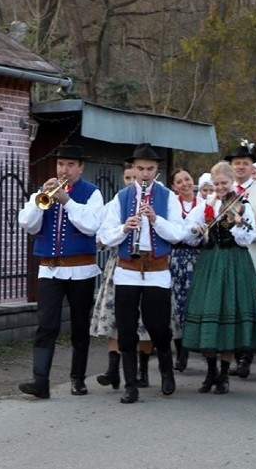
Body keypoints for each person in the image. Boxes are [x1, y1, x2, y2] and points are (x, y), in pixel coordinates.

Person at [98, 143, 186, 404]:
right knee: (126, 328)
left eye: (149, 169)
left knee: (157, 325)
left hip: (157, 270)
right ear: (132, 169)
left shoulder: (167, 197)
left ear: (157, 169)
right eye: (140, 169)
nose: (145, 174)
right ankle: (130, 385)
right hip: (128, 269)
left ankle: (166, 371)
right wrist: (125, 228)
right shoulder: (122, 197)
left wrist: (156, 219)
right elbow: (104, 235)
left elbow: (178, 233)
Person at [17, 145, 104, 399]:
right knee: (46, 326)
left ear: (80, 167)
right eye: (60, 164)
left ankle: (77, 379)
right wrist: (39, 201)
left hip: (81, 271)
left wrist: (67, 202)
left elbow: (91, 226)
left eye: (69, 165)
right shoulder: (43, 192)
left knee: (79, 326)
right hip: (50, 270)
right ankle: (40, 381)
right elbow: (28, 225)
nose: (63, 170)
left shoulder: (92, 193)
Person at [183, 162, 256, 394]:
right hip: (211, 262)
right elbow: (189, 226)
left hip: (234, 263)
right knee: (209, 314)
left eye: (224, 183)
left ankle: (224, 375)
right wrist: (197, 229)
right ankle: (211, 372)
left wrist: (239, 224)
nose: (221, 187)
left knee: (229, 313)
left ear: (232, 182)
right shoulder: (207, 205)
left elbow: (247, 239)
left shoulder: (243, 205)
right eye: (217, 184)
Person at [91, 164, 155, 391]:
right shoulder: (117, 202)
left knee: (144, 321)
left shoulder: (155, 200)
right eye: (127, 177)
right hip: (119, 264)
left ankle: (143, 370)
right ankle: (112, 370)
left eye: (133, 177)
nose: (131, 181)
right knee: (115, 318)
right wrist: (121, 230)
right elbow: (101, 237)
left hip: (147, 267)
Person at [225, 144, 256, 378]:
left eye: (245, 163)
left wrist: (247, 227)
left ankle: (246, 354)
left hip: (251, 252)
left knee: (250, 303)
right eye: (237, 163)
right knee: (230, 303)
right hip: (226, 254)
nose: (240, 167)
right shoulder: (224, 188)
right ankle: (231, 351)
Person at [169, 167, 201, 372]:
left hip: (198, 256)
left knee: (194, 301)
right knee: (176, 303)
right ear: (174, 186)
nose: (185, 184)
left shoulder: (205, 204)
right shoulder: (172, 205)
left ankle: (194, 344)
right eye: (179, 181)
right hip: (176, 257)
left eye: (187, 179)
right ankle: (181, 350)